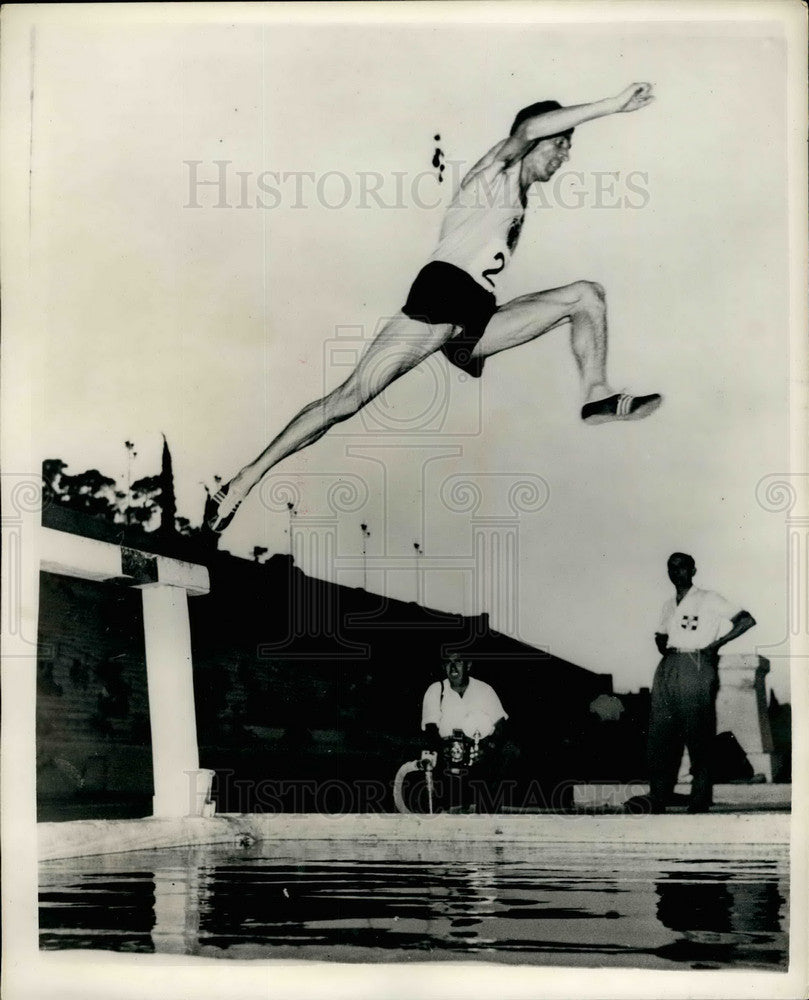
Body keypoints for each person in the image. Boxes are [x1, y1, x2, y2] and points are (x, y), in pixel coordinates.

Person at [206, 83, 662, 532]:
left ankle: (596, 393)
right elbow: (526, 129)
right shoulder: (495, 174)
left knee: (587, 295)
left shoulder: (521, 201)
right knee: (346, 401)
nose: (566, 155)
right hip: (442, 297)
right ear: (538, 138)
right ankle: (241, 482)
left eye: (568, 146)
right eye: (560, 143)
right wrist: (612, 105)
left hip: (476, 313)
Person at [647, 552, 756, 814]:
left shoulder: (708, 598)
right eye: (672, 568)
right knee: (661, 733)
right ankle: (659, 796)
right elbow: (661, 635)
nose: (677, 572)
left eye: (682, 567)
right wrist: (664, 645)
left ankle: (699, 799)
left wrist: (715, 645)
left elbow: (746, 620)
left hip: (695, 663)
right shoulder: (668, 604)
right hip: (668, 665)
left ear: (693, 570)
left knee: (698, 731)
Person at [420, 652, 509, 812]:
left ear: (468, 665)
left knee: (506, 755)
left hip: (480, 754)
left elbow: (501, 725)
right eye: (448, 663)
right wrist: (443, 748)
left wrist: (488, 747)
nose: (453, 667)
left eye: (458, 662)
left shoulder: (484, 690)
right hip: (448, 755)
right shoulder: (436, 689)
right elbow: (430, 727)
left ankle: (488, 815)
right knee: (446, 806)